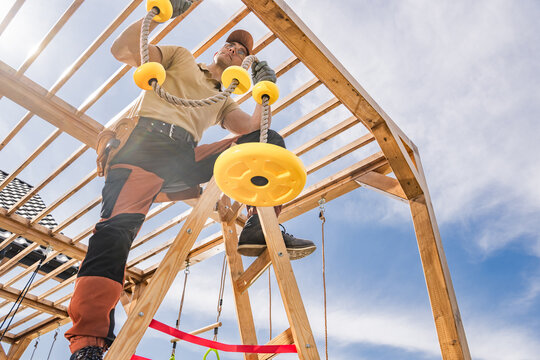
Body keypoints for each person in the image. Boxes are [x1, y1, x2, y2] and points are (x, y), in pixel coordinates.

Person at [65, 2, 315, 359]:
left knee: (267, 143)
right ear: (219, 49)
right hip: (143, 147)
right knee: (113, 233)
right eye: (232, 45)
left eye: (244, 52)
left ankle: (260, 224)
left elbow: (257, 128)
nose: (236, 50)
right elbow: (122, 48)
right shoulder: (181, 58)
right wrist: (161, 10)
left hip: (184, 156)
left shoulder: (222, 97)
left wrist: (265, 83)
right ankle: (87, 344)